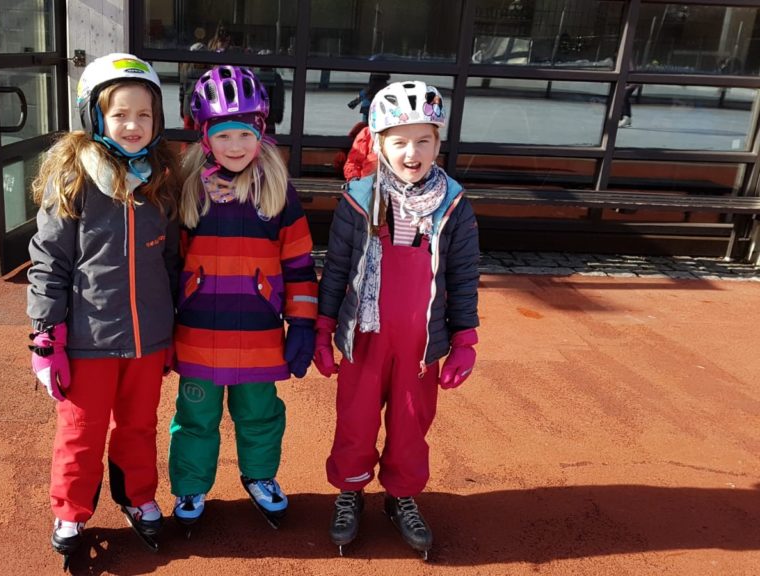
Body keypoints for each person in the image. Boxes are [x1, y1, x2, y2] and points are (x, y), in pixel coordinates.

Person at [313, 80, 480, 557]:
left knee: (411, 425)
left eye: (424, 140)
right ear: (379, 142)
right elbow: (337, 271)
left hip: (421, 345)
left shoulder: (453, 203)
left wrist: (464, 340)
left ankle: (401, 495)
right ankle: (351, 491)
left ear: (438, 143)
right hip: (365, 339)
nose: (413, 152)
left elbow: (464, 275)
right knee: (355, 422)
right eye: (400, 140)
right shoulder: (357, 199)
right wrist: (324, 331)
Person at [26, 53, 180, 560]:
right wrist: (46, 335)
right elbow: (49, 260)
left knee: (139, 427)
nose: (133, 125)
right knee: (80, 432)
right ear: (94, 115)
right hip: (88, 338)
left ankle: (137, 498)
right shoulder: (74, 179)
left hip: (147, 337)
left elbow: (173, 262)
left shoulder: (160, 179)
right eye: (120, 114)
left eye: (144, 115)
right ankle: (70, 509)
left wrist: (175, 328)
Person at [168, 65, 318, 529]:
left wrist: (304, 324)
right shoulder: (187, 189)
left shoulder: (278, 192)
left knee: (260, 413)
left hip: (259, 337)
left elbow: (298, 264)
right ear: (205, 137)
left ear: (261, 133)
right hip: (197, 335)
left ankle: (260, 476)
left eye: (244, 134)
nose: (235, 146)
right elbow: (168, 266)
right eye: (224, 135)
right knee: (195, 418)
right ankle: (191, 485)